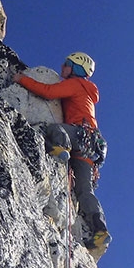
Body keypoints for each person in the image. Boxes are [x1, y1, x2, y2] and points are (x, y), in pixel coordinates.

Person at [13, 52, 110, 249]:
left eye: (67, 64)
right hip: (92, 144)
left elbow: (48, 92)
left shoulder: (76, 84)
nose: (62, 66)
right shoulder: (88, 90)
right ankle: (100, 230)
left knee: (51, 129)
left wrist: (21, 79)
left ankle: (61, 148)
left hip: (78, 133)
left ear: (76, 69)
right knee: (84, 190)